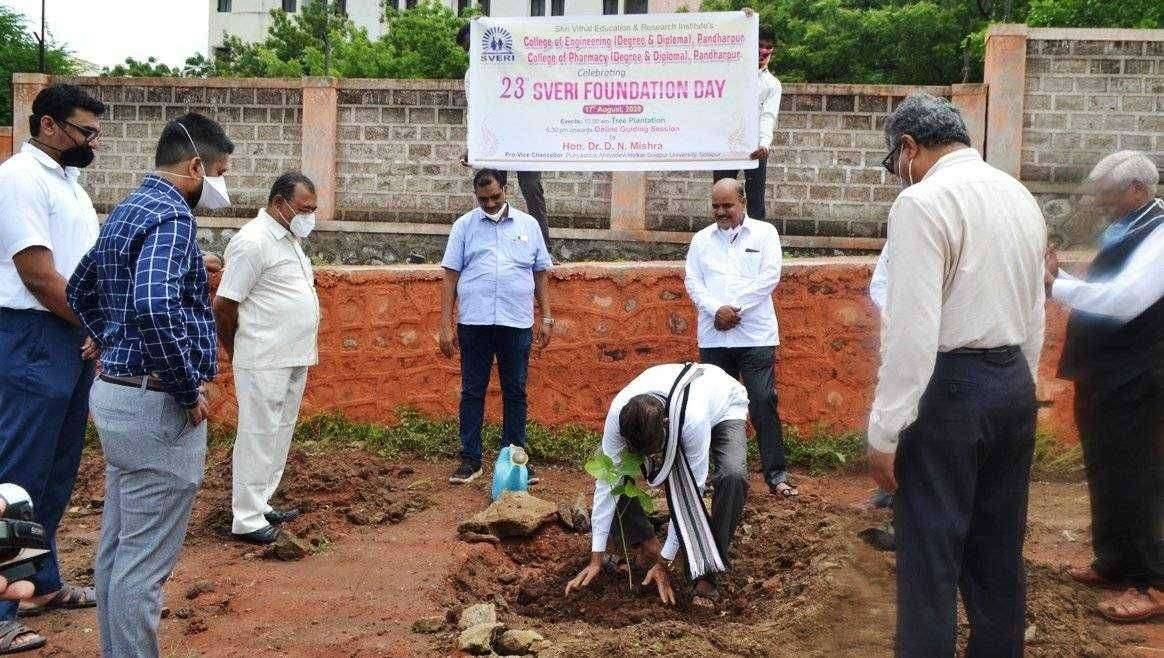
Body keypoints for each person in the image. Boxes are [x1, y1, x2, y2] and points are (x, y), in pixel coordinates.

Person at [865, 93, 1046, 657]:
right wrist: (1021, 386)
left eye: (895, 163)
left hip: (948, 391)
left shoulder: (922, 202)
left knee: (929, 554)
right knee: (998, 552)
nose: (899, 175)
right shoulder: (1018, 195)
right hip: (1013, 383)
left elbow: (912, 332)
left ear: (909, 147)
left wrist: (885, 430)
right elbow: (1035, 309)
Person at [67, 112, 233, 658]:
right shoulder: (172, 217)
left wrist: (107, 337)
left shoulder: (128, 209)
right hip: (154, 405)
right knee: (142, 567)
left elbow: (80, 286)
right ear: (195, 167)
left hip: (119, 394)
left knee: (119, 550)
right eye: (218, 173)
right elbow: (155, 305)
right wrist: (185, 388)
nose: (218, 186)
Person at [0, 83, 106, 654]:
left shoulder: (67, 183)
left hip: (67, 335)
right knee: (16, 477)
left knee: (57, 471)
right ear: (47, 125)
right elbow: (39, 275)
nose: (93, 141)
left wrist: (88, 325)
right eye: (85, 131)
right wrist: (95, 323)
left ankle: (40, 583)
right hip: (32, 334)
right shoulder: (20, 179)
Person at [1046, 150, 1163, 623]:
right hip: (1108, 373)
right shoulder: (1130, 228)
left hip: (1141, 375)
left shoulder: (1159, 235)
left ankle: (1153, 582)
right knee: (1106, 468)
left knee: (1140, 476)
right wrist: (1060, 277)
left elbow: (1122, 301)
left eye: (1110, 194)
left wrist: (1055, 286)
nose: (1102, 203)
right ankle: (1114, 560)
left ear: (1137, 189)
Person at [564, 363, 750, 608]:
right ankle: (647, 543)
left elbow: (690, 497)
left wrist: (665, 562)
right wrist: (595, 558)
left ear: (664, 423)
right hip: (678, 410)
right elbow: (608, 483)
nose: (649, 458)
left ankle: (707, 570)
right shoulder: (619, 414)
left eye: (651, 450)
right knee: (615, 471)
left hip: (723, 405)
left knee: (733, 476)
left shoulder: (692, 419)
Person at [213, 173, 320, 546]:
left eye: (313, 209)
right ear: (279, 203)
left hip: (293, 355)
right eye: (304, 209)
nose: (309, 216)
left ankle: (261, 502)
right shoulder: (253, 241)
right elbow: (224, 306)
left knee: (279, 432)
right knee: (258, 434)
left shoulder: (290, 240)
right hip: (262, 356)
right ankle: (246, 518)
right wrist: (236, 349)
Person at [440, 169, 553, 485]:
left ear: (506, 188)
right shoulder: (464, 226)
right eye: (483, 199)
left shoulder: (529, 225)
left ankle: (515, 460)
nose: (489, 204)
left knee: (515, 391)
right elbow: (450, 277)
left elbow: (540, 273)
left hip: (515, 322)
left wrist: (546, 317)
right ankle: (470, 459)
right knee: (472, 391)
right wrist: (445, 325)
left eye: (495, 197)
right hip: (474, 322)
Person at [684, 178, 795, 497]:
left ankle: (776, 475)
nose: (721, 212)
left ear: (743, 202)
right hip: (714, 337)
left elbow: (769, 277)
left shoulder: (765, 233)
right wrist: (715, 310)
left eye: (727, 205)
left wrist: (735, 309)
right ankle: (718, 476)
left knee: (762, 401)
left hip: (755, 335)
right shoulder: (701, 240)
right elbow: (693, 281)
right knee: (714, 406)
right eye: (715, 206)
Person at [456, 22, 552, 249]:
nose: (472, 53)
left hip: (524, 138)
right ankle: (492, 247)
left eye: (474, 46)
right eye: (468, 50)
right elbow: (475, 113)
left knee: (532, 190)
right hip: (495, 141)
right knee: (491, 191)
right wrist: (472, 146)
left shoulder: (514, 65)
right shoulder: (472, 76)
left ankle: (544, 250)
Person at [712, 22, 781, 221]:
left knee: (756, 201)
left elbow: (768, 116)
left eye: (768, 47)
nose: (764, 51)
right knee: (722, 194)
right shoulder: (732, 72)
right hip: (728, 144)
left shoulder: (772, 84)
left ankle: (756, 239)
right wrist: (742, 21)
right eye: (760, 45)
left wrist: (764, 144)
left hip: (755, 148)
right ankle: (724, 236)